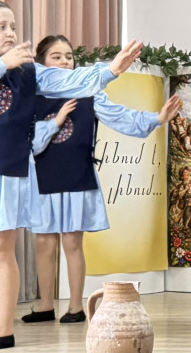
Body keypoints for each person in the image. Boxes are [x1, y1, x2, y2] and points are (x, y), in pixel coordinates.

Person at [0, 0, 142, 351]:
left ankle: (2, 330)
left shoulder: (30, 72)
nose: (11, 33)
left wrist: (111, 71)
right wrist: (1, 65)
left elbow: (73, 81)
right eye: (2, 27)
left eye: (13, 26)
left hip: (5, 170)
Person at [24, 34, 180, 324]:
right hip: (42, 175)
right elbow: (28, 141)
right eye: (56, 56)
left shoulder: (90, 93)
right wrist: (54, 122)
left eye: (68, 56)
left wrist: (156, 119)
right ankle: (45, 305)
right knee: (43, 242)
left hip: (77, 174)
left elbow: (120, 116)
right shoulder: (30, 95)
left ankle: (75, 307)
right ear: (41, 62)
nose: (64, 61)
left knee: (72, 242)